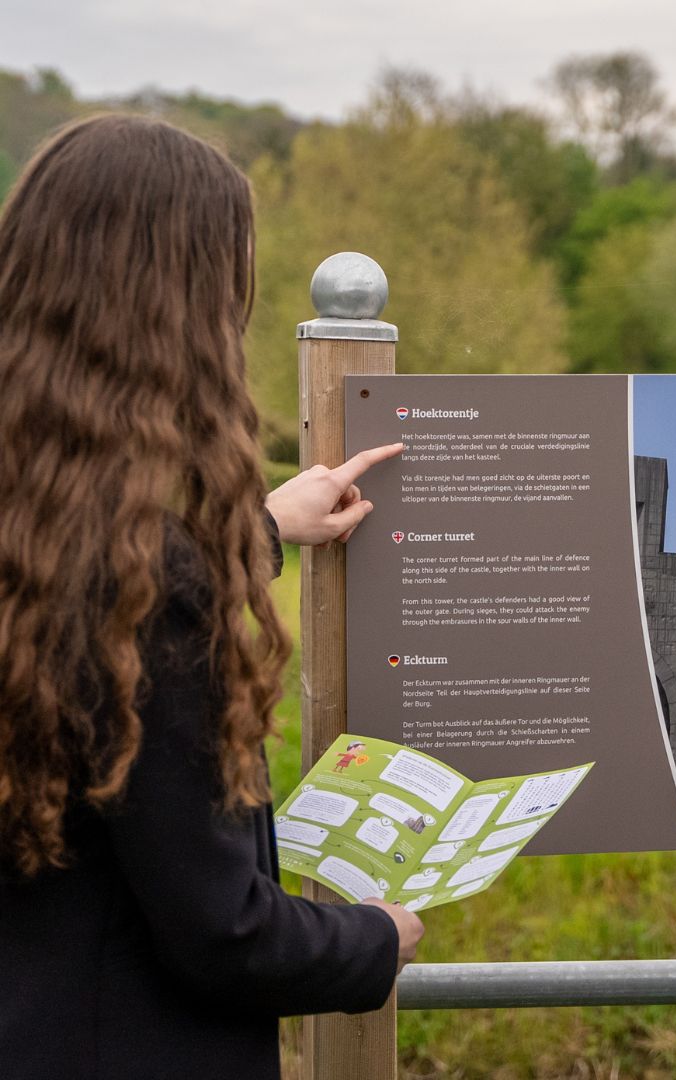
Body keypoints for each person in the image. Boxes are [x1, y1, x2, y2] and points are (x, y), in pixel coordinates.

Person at [0, 114, 423, 1080]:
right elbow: (222, 931)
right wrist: (375, 938)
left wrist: (259, 532)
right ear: (173, 314)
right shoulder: (143, 589)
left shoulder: (35, 530)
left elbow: (81, 604)